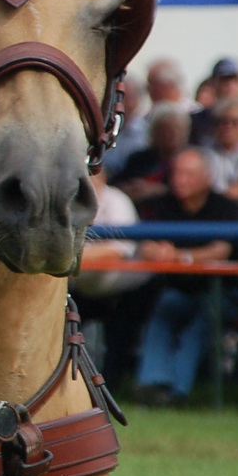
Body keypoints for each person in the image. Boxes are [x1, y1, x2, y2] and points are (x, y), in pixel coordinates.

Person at [130, 149, 238, 406]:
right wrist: (156, 251)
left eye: (188, 173)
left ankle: (175, 392)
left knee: (201, 324)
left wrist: (179, 255)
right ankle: (152, 385)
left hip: (221, 291)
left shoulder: (225, 207)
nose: (180, 180)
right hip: (179, 289)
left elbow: (221, 250)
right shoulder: (164, 204)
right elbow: (145, 244)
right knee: (161, 314)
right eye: (176, 173)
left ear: (207, 177)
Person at [73, 166, 152, 391]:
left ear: (103, 176)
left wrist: (70, 257)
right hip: (81, 286)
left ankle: (112, 387)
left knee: (118, 341)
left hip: (121, 289)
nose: (86, 179)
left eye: (91, 173)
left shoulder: (117, 200)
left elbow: (118, 251)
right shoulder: (69, 200)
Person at [114, 101, 189, 204]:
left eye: (177, 129)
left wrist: (159, 190)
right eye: (167, 130)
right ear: (155, 132)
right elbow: (117, 183)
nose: (172, 135)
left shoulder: (190, 162)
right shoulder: (139, 159)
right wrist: (129, 188)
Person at [190, 57, 238, 145]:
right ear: (213, 84)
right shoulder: (199, 120)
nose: (230, 85)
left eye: (234, 80)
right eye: (224, 81)